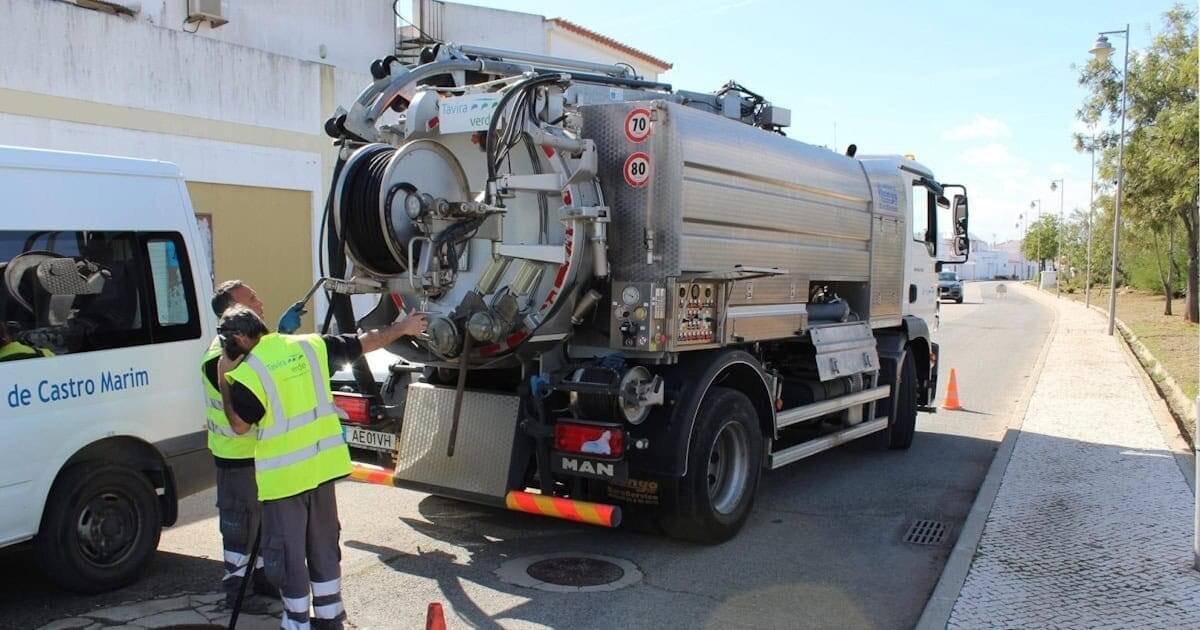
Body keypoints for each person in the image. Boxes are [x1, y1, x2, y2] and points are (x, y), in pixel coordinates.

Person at [215, 305, 427, 629]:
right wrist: (404, 327)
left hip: (284, 482)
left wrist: (223, 379)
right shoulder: (311, 345)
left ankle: (296, 622)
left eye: (228, 343)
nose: (227, 349)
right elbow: (364, 342)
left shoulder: (248, 373)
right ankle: (330, 619)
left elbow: (239, 426)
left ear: (242, 338)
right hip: (321, 472)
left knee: (288, 557)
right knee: (324, 550)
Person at [202, 280, 273, 610]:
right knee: (239, 528)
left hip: (254, 455)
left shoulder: (245, 347)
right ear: (231, 311)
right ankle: (237, 593)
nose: (260, 302)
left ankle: (258, 581)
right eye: (251, 300)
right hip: (236, 457)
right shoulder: (221, 356)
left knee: (257, 524)